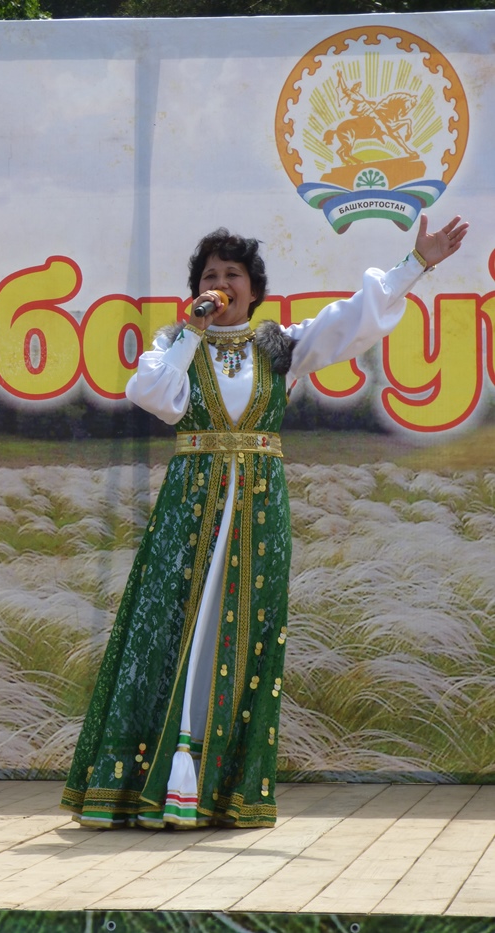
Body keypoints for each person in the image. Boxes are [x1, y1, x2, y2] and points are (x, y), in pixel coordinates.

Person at [60, 214, 468, 830]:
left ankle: (221, 790)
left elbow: (352, 320)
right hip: (190, 509)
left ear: (253, 290)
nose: (219, 284)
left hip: (257, 510)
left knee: (242, 635)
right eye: (209, 276)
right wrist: (192, 332)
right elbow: (154, 396)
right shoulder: (173, 347)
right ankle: (146, 786)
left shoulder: (280, 348)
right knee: (174, 629)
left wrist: (416, 264)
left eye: (232, 274)